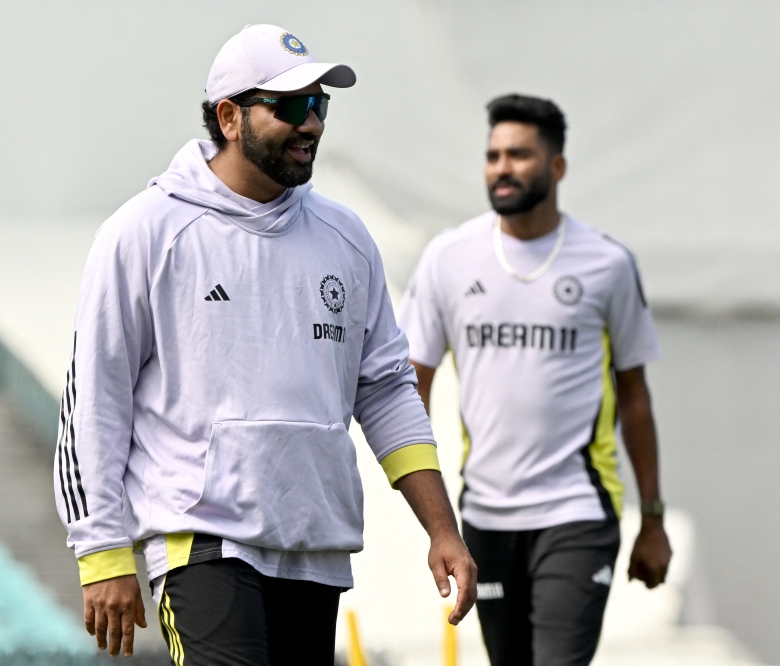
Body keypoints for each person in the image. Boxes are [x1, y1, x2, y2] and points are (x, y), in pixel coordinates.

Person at [54, 23, 477, 665]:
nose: (312, 124)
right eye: (289, 106)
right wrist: (102, 550)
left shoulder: (346, 236)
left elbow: (388, 391)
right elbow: (94, 398)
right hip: (201, 540)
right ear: (229, 117)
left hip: (315, 542)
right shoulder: (145, 230)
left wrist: (442, 531)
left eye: (320, 105)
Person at [398, 94, 673, 666]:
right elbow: (406, 391)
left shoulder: (606, 263)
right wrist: (435, 516)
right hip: (486, 515)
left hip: (578, 510)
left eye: (519, 154)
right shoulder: (449, 258)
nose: (502, 167)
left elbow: (636, 398)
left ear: (556, 167)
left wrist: (652, 519)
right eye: (493, 155)